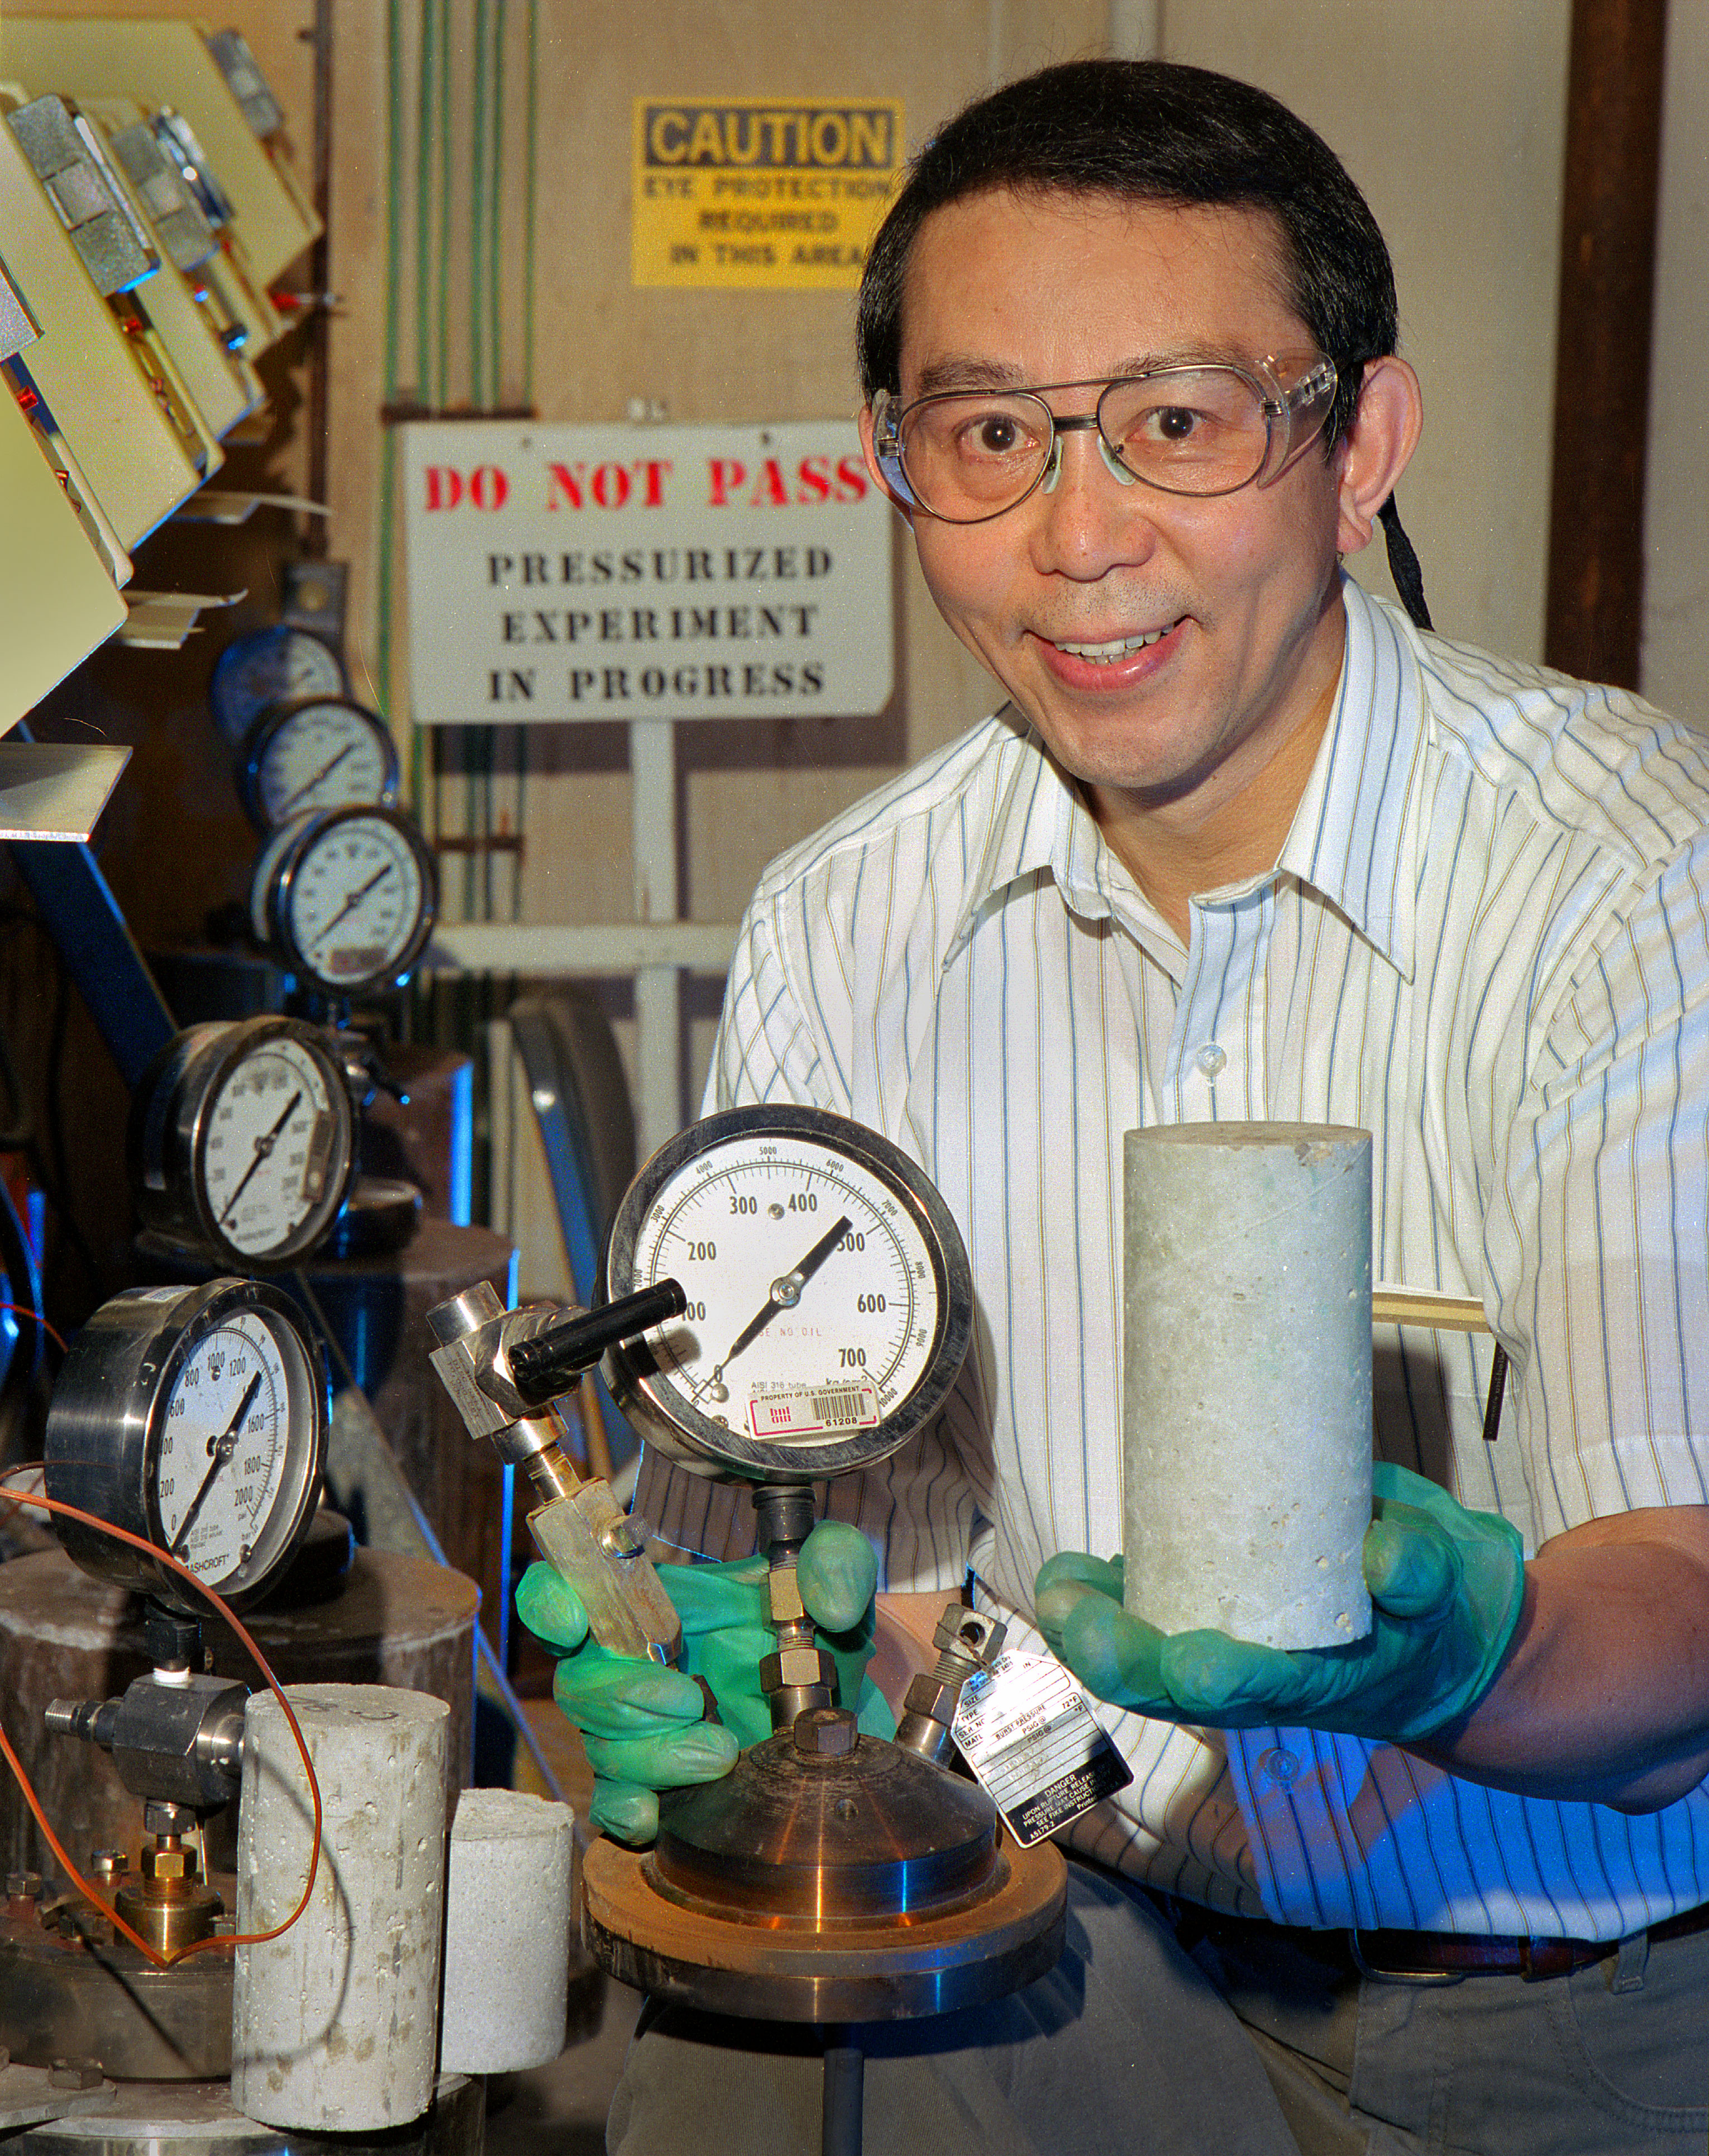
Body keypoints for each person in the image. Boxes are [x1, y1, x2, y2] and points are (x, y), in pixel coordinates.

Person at [519, 57, 1709, 2154]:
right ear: (896, 470)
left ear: (1358, 450)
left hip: (1563, 2019)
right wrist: (712, 1660)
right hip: (1075, 1926)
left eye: (1177, 421)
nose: (1078, 537)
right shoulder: (849, 924)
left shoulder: (1624, 881)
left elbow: (1684, 1626)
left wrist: (1458, 1652)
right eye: (989, 436)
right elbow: (847, 1592)